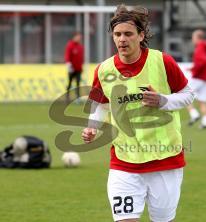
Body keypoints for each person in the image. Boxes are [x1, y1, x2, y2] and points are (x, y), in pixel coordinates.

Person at [82, 5, 195, 222]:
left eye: (128, 34)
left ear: (141, 35)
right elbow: (100, 104)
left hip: (165, 161)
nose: (122, 39)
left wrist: (163, 101)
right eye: (117, 34)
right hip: (124, 162)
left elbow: (188, 94)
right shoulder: (104, 69)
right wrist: (91, 128)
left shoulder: (162, 61)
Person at [187, 29, 206, 129]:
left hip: (199, 78)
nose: (192, 39)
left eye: (193, 37)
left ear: (197, 38)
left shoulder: (200, 48)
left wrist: (194, 69)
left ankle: (194, 114)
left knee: (184, 95)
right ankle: (205, 122)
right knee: (202, 101)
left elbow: (201, 62)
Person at [64, 32, 84, 102]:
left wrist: (81, 67)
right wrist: (68, 64)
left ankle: (77, 98)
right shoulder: (70, 45)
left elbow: (81, 58)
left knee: (78, 84)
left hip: (78, 69)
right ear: (74, 37)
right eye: (78, 37)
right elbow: (67, 55)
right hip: (72, 69)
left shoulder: (80, 46)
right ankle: (67, 97)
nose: (79, 38)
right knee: (69, 83)